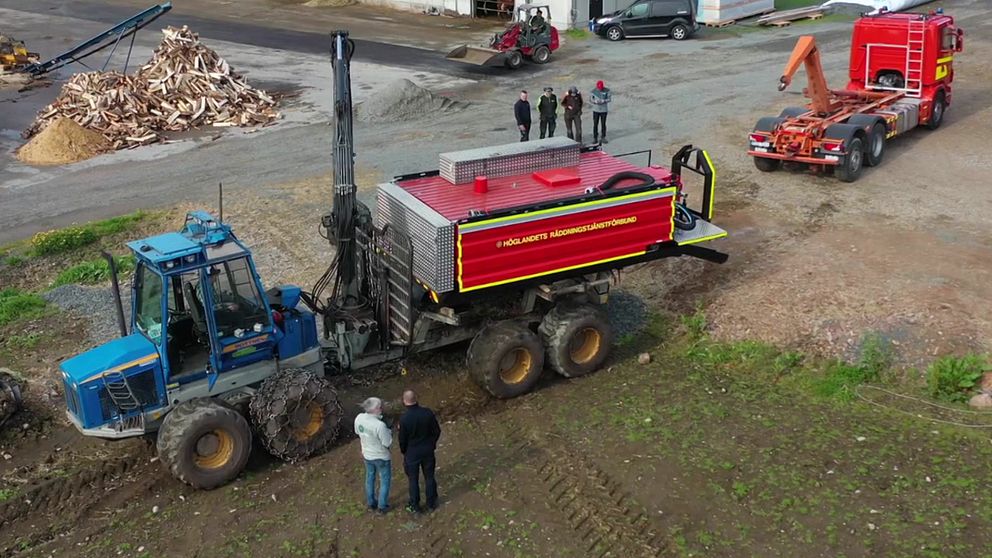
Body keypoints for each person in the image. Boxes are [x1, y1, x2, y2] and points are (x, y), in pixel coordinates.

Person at [399, 389, 441, 513]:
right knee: (429, 477)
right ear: (416, 399)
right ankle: (431, 503)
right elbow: (436, 431)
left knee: (413, 480)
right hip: (427, 450)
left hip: (412, 452)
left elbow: (402, 439)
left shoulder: (404, 419)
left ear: (404, 401)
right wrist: (431, 443)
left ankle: (415, 505)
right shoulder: (427, 413)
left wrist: (404, 451)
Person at [354, 397, 393, 514]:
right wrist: (389, 432)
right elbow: (387, 442)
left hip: (367, 454)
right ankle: (382, 506)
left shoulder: (359, 418)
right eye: (380, 407)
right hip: (381, 456)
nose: (382, 409)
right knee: (385, 480)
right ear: (375, 409)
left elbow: (358, 432)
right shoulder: (379, 425)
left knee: (369, 478)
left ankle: (371, 503)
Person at [590, 80, 612, 144]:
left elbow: (609, 99)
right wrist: (595, 101)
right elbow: (591, 99)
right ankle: (595, 138)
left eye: (601, 88)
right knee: (595, 124)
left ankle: (603, 137)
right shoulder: (593, 91)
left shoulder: (607, 91)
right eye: (599, 88)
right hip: (596, 110)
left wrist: (604, 101)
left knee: (603, 124)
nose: (600, 89)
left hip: (604, 110)